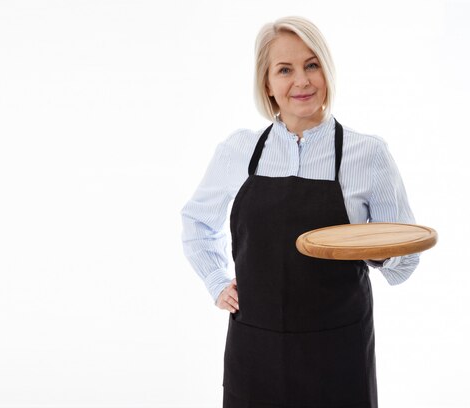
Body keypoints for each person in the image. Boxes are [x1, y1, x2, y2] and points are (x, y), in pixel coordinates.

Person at [180, 16, 420, 408]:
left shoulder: (367, 154)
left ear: (327, 70)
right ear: (267, 84)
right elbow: (196, 221)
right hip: (254, 350)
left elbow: (405, 258)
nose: (302, 81)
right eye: (285, 70)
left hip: (339, 351)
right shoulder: (238, 150)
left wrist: (375, 251)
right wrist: (215, 280)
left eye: (312, 65)